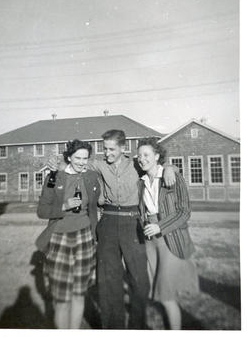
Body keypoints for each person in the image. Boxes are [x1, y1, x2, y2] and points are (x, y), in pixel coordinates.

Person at [47, 130, 176, 329]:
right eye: (104, 148)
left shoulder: (136, 164)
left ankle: (136, 327)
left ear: (123, 148)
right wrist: (60, 165)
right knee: (108, 281)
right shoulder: (98, 165)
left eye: (112, 149)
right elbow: (74, 164)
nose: (107, 153)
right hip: (107, 223)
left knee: (140, 280)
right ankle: (112, 327)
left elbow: (158, 166)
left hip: (133, 224)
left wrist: (168, 168)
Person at [36, 139, 100, 329]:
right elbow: (42, 211)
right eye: (77, 158)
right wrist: (64, 206)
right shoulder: (55, 177)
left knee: (79, 294)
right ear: (69, 158)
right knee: (62, 298)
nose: (81, 162)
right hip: (59, 238)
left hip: (85, 238)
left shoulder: (91, 176)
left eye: (85, 158)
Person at [137, 137, 199, 330]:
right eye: (139, 155)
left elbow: (184, 211)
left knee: (166, 295)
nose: (142, 159)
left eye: (146, 155)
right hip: (150, 242)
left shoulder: (171, 177)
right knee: (162, 293)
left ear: (157, 156)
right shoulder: (141, 182)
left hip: (169, 237)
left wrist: (160, 227)